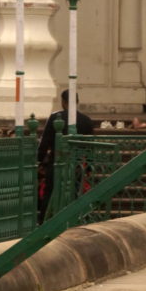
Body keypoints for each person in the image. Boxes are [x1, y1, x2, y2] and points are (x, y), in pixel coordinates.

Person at [37, 89, 95, 223]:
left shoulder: (55, 117)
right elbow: (90, 146)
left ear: (63, 102)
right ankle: (74, 221)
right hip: (78, 165)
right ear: (78, 102)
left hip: (57, 163)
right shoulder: (86, 120)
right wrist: (89, 168)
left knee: (50, 194)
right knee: (75, 194)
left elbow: (45, 143)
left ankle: (45, 223)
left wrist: (39, 161)